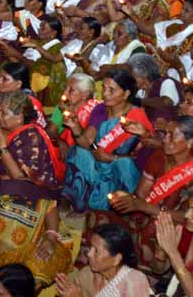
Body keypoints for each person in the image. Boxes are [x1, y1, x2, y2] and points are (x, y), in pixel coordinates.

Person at [89, 116, 193, 273]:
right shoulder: (159, 157)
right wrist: (127, 199)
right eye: (165, 134)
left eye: (172, 135)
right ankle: (110, 264)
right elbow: (141, 194)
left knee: (150, 231)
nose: (165, 140)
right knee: (98, 218)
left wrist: (144, 207)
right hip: (147, 212)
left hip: (180, 224)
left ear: (191, 142)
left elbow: (188, 216)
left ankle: (134, 269)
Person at [63, 70, 153, 212]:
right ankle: (78, 205)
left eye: (112, 90)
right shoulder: (101, 109)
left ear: (126, 94)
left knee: (125, 164)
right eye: (104, 88)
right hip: (99, 163)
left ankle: (120, 209)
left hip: (120, 168)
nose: (105, 94)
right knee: (79, 153)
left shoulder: (137, 116)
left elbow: (145, 158)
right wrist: (75, 128)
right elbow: (87, 142)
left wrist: (113, 157)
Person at [53, 223, 150, 297]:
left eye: (96, 251)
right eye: (91, 247)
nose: (89, 254)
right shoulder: (86, 275)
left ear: (116, 259)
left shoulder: (134, 281)